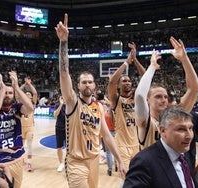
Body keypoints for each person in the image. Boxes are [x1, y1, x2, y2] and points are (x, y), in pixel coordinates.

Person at [56, 13, 126, 188]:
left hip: (94, 160)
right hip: (76, 162)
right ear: (78, 86)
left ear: (95, 85)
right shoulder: (72, 102)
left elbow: (107, 137)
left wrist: (120, 160)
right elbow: (64, 73)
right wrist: (63, 42)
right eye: (83, 82)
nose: (87, 84)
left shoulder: (98, 107)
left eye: (90, 82)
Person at [135, 37, 198, 151]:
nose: (164, 99)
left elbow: (194, 88)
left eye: (165, 96)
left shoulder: (174, 117)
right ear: (148, 100)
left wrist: (184, 59)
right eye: (158, 96)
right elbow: (140, 96)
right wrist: (152, 67)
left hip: (174, 167)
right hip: (152, 168)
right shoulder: (145, 121)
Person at [123, 106, 197, 188]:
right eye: (181, 129)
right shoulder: (144, 162)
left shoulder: (185, 153)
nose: (189, 136)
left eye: (190, 128)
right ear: (163, 130)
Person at [0, 71, 34, 188]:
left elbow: (30, 108)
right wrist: (2, 91)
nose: (7, 95)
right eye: (5, 92)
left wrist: (16, 86)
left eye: (10, 93)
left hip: (16, 159)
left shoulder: (17, 108)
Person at [107, 39, 146, 174]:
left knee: (136, 177)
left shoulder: (136, 98)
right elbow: (112, 83)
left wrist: (135, 60)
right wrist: (126, 62)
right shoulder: (116, 99)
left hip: (136, 144)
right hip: (121, 145)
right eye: (124, 81)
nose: (127, 83)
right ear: (119, 85)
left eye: (129, 81)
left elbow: (147, 77)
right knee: (127, 177)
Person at [18, 76, 38, 172]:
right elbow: (17, 92)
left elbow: (35, 93)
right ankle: (21, 160)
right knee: (21, 146)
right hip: (21, 127)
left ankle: (29, 163)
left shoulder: (32, 104)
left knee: (29, 146)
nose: (27, 94)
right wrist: (23, 85)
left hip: (30, 127)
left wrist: (29, 84)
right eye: (25, 94)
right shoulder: (20, 103)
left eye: (28, 94)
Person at [53, 96, 66, 172]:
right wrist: (61, 105)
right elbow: (55, 115)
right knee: (59, 147)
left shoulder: (71, 104)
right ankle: (61, 163)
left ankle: (68, 163)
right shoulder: (58, 104)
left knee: (70, 148)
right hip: (59, 128)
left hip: (69, 128)